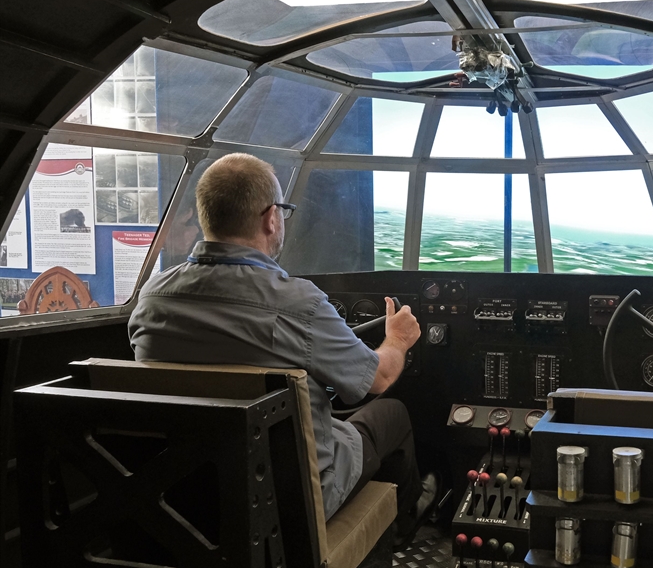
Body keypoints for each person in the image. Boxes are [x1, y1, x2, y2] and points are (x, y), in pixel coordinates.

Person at [128, 153, 437, 545]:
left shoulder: (152, 299)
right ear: (271, 217)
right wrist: (396, 339)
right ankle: (403, 528)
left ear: (207, 215)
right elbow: (378, 377)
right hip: (289, 497)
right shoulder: (300, 304)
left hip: (184, 494)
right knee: (391, 414)